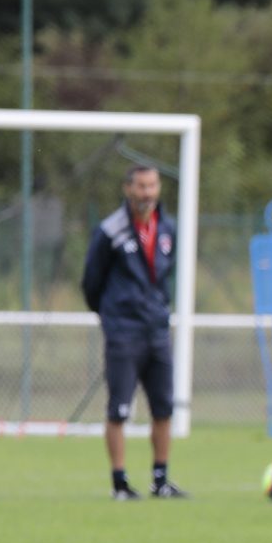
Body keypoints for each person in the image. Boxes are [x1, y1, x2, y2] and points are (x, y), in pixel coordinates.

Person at [81, 163, 188, 500]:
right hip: (124, 333)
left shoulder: (168, 228)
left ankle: (161, 480)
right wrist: (113, 318)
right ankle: (120, 483)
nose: (147, 193)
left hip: (157, 332)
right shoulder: (111, 230)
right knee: (119, 410)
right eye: (141, 186)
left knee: (164, 409)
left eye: (152, 185)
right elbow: (91, 282)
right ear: (128, 189)